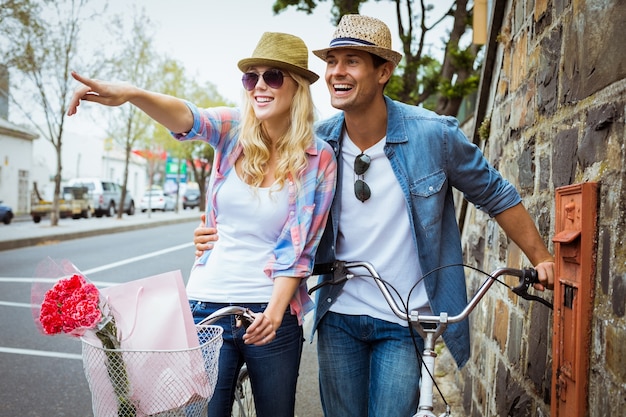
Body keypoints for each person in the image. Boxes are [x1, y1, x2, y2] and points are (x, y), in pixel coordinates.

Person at [193, 15, 555, 417]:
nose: (336, 72)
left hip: (406, 319)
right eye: (331, 61)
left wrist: (541, 258)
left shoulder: (433, 135)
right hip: (340, 316)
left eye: (352, 61)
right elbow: (280, 221)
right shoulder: (319, 146)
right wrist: (217, 233)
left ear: (384, 72)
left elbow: (495, 193)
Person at [68, 31, 337, 417]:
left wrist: (276, 311)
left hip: (270, 309)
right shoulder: (232, 130)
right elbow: (186, 116)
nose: (259, 86)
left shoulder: (318, 157)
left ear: (297, 86)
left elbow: (301, 248)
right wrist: (132, 94)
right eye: (251, 77)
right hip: (205, 305)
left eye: (273, 76)